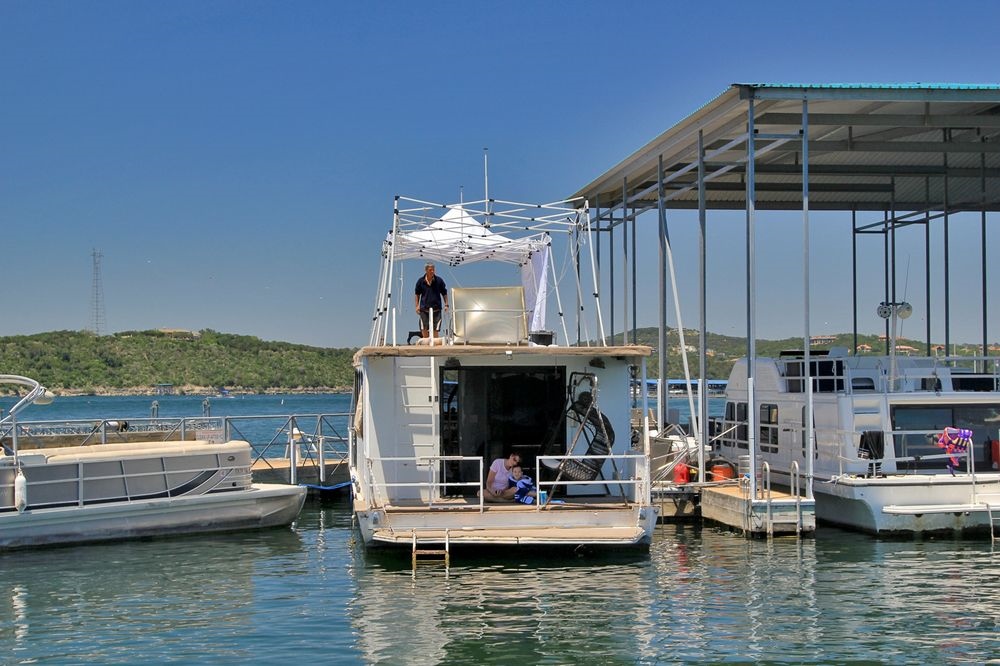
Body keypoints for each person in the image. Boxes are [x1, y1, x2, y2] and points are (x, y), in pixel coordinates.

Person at [414, 262, 449, 339]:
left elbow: (444, 293)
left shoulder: (439, 281)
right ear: (426, 270)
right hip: (424, 308)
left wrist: (446, 304)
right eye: (430, 270)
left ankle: (435, 347)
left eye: (433, 270)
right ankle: (426, 345)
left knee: (436, 328)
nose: (432, 271)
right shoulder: (420, 281)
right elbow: (417, 294)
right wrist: (417, 306)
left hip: (436, 308)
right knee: (424, 328)